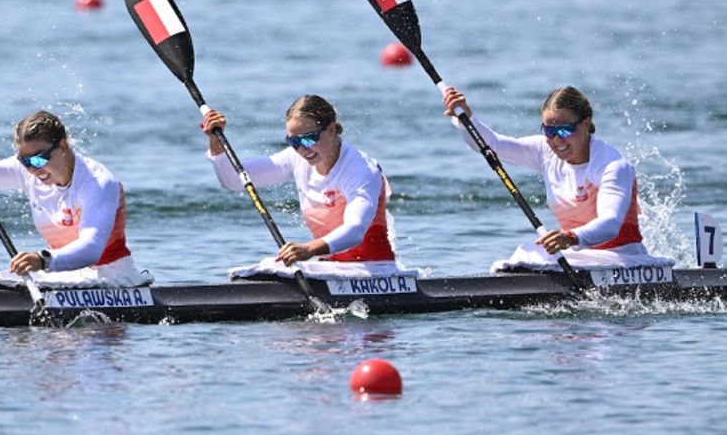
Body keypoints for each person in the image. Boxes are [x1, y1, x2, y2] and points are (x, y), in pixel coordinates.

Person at [0, 110, 147, 284]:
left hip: (111, 277)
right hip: (61, 276)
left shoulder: (97, 183)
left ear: (62, 146)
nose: (31, 169)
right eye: (24, 161)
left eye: (38, 160)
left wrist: (42, 260)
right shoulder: (28, 169)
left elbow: (91, 248)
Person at [442, 85, 651, 260]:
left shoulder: (612, 165)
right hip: (581, 258)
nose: (557, 140)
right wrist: (465, 118)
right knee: (523, 255)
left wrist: (569, 237)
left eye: (565, 130)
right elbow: (491, 145)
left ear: (586, 123)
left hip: (625, 259)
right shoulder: (544, 150)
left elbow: (611, 223)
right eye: (549, 131)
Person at [200, 95, 397, 266]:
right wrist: (216, 141)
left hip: (377, 271)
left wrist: (309, 249)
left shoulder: (360, 170)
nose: (303, 149)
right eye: (293, 142)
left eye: (308, 139)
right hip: (330, 269)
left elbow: (355, 230)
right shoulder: (296, 158)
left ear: (331, 129)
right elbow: (235, 180)